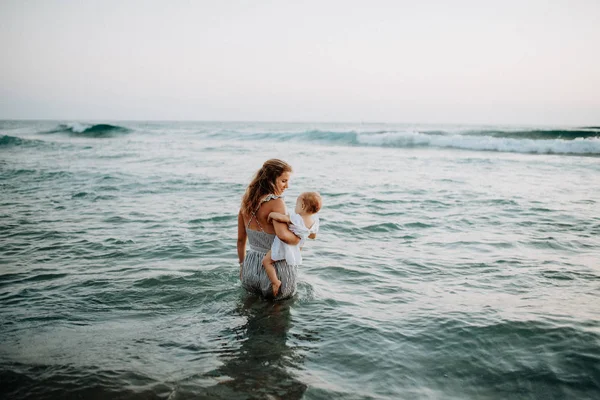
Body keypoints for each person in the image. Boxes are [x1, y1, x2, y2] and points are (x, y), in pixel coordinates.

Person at [237, 159, 301, 299]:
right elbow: (283, 236)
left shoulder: (246, 203)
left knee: (248, 312)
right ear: (270, 180)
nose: (287, 186)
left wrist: (242, 267)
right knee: (277, 315)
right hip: (275, 266)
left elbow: (241, 240)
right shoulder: (277, 202)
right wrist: (300, 237)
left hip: (250, 265)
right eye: (283, 181)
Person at [262, 192, 321, 296]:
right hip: (298, 248)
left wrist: (271, 215)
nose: (295, 207)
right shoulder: (314, 222)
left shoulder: (297, 218)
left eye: (296, 204)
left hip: (285, 246)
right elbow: (313, 236)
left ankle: (275, 281)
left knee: (266, 261)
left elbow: (281, 218)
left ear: (302, 206)